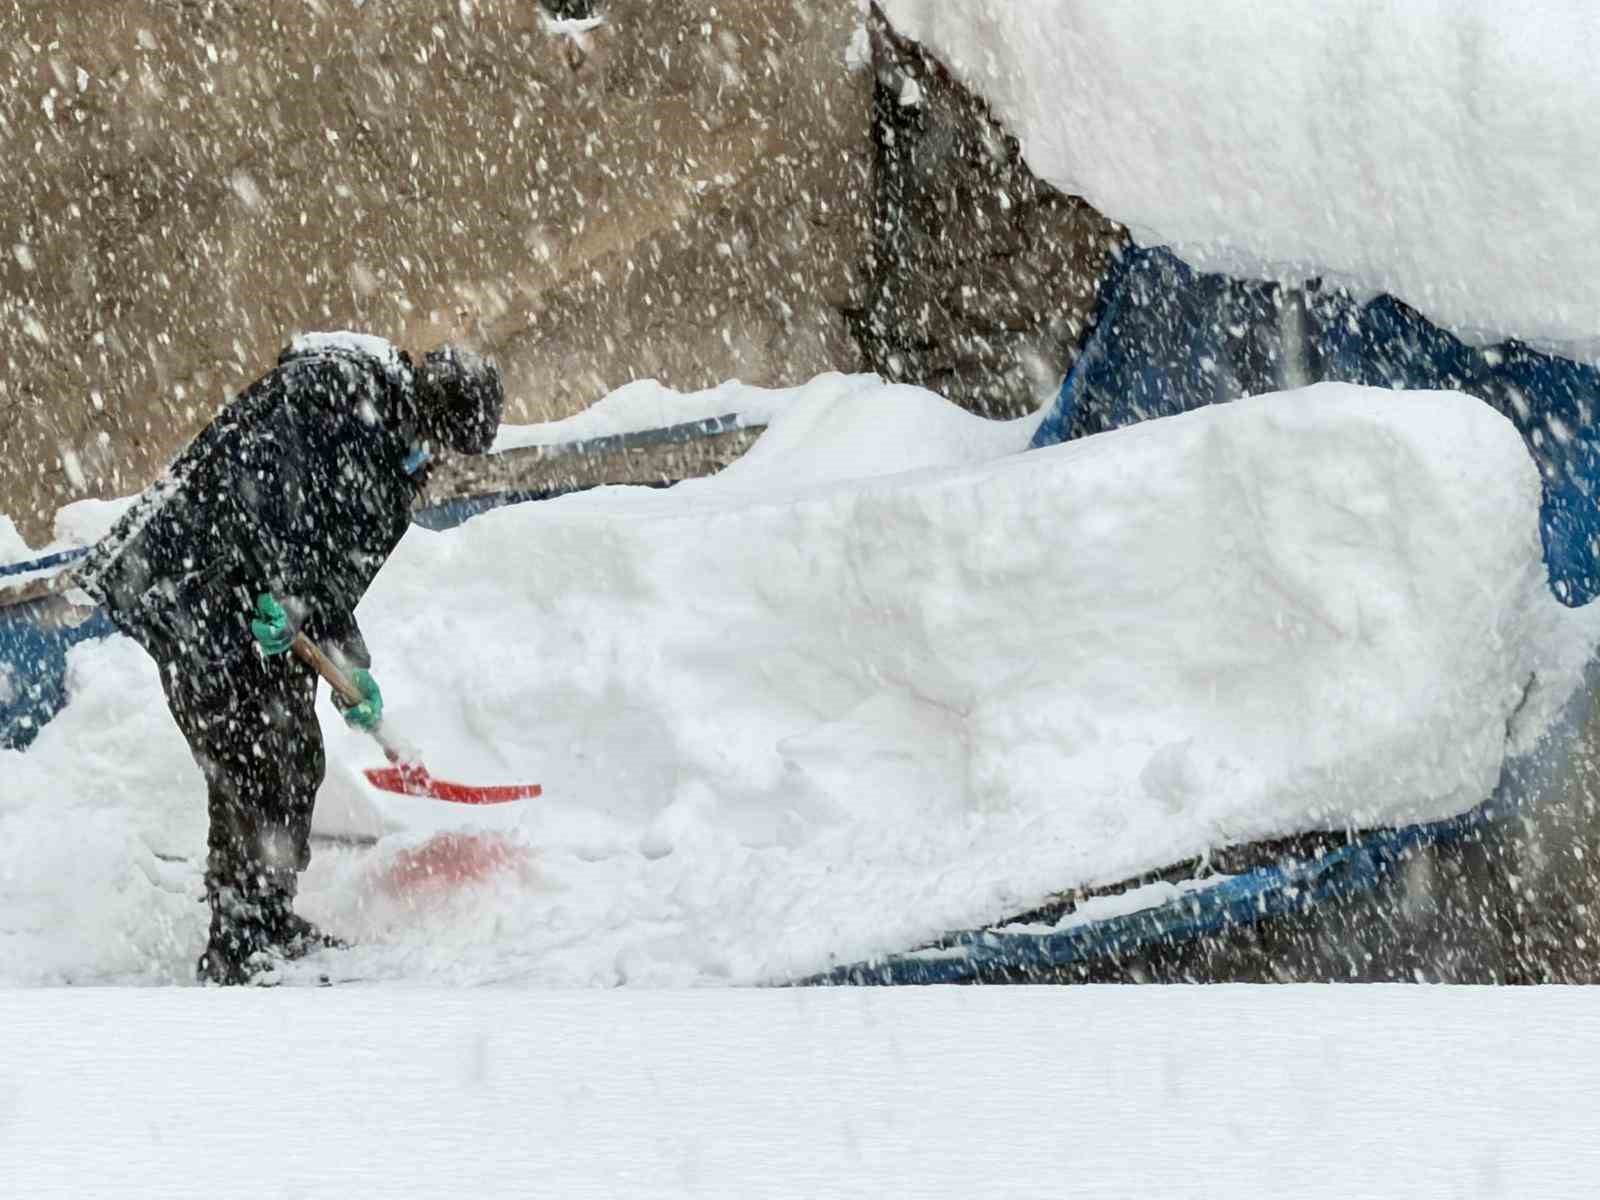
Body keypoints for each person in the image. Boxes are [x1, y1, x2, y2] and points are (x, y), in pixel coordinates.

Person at [78, 332, 505, 985]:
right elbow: (262, 492)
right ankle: (239, 943)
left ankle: (268, 918)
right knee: (249, 753)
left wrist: (347, 664)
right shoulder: (332, 387)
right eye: (441, 438)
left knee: (292, 752)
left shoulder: (392, 467)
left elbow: (333, 576)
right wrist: (279, 586)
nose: (436, 455)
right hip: (190, 580)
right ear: (428, 401)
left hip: (258, 604)